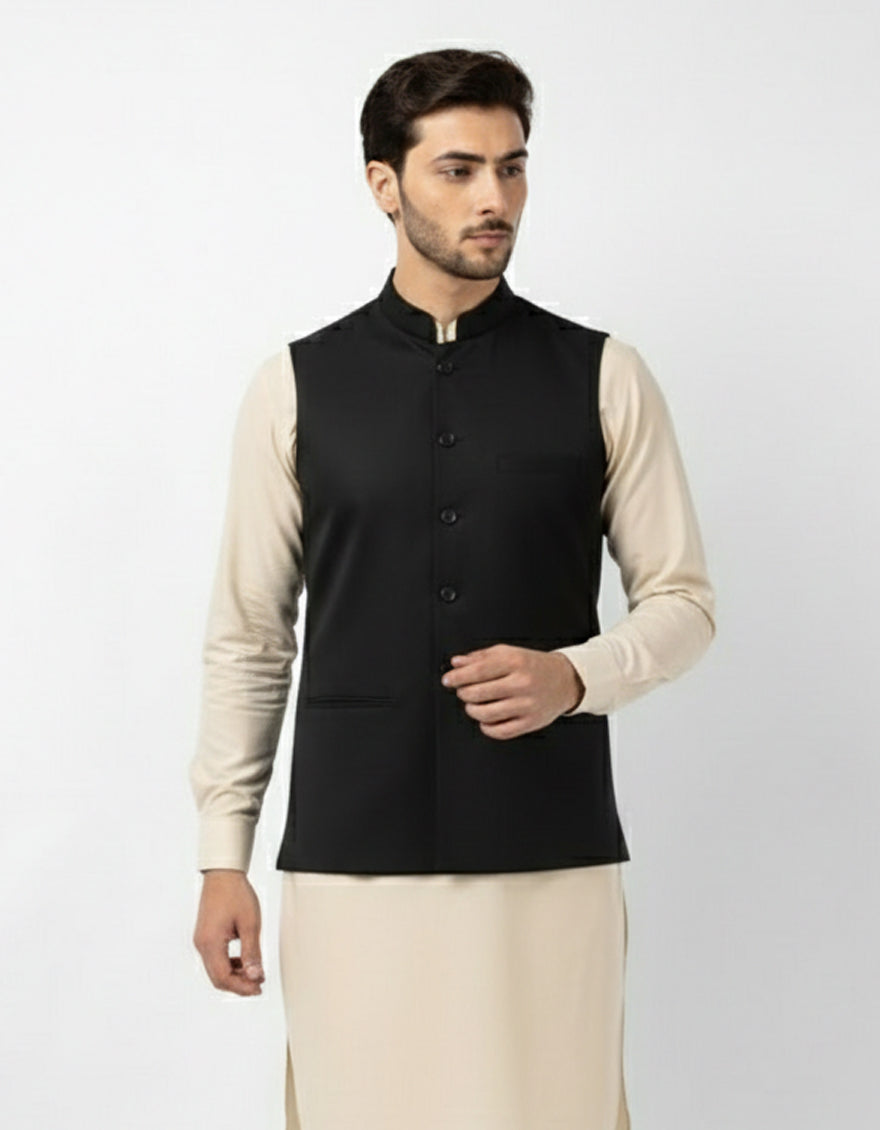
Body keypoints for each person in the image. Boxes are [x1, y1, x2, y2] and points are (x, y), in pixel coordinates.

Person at [189, 47, 716, 1130]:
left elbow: (683, 602)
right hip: (350, 857)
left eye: (512, 168)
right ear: (384, 185)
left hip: (548, 851)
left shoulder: (603, 375)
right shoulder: (295, 387)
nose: (495, 199)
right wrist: (220, 856)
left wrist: (577, 674)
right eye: (459, 169)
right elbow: (250, 637)